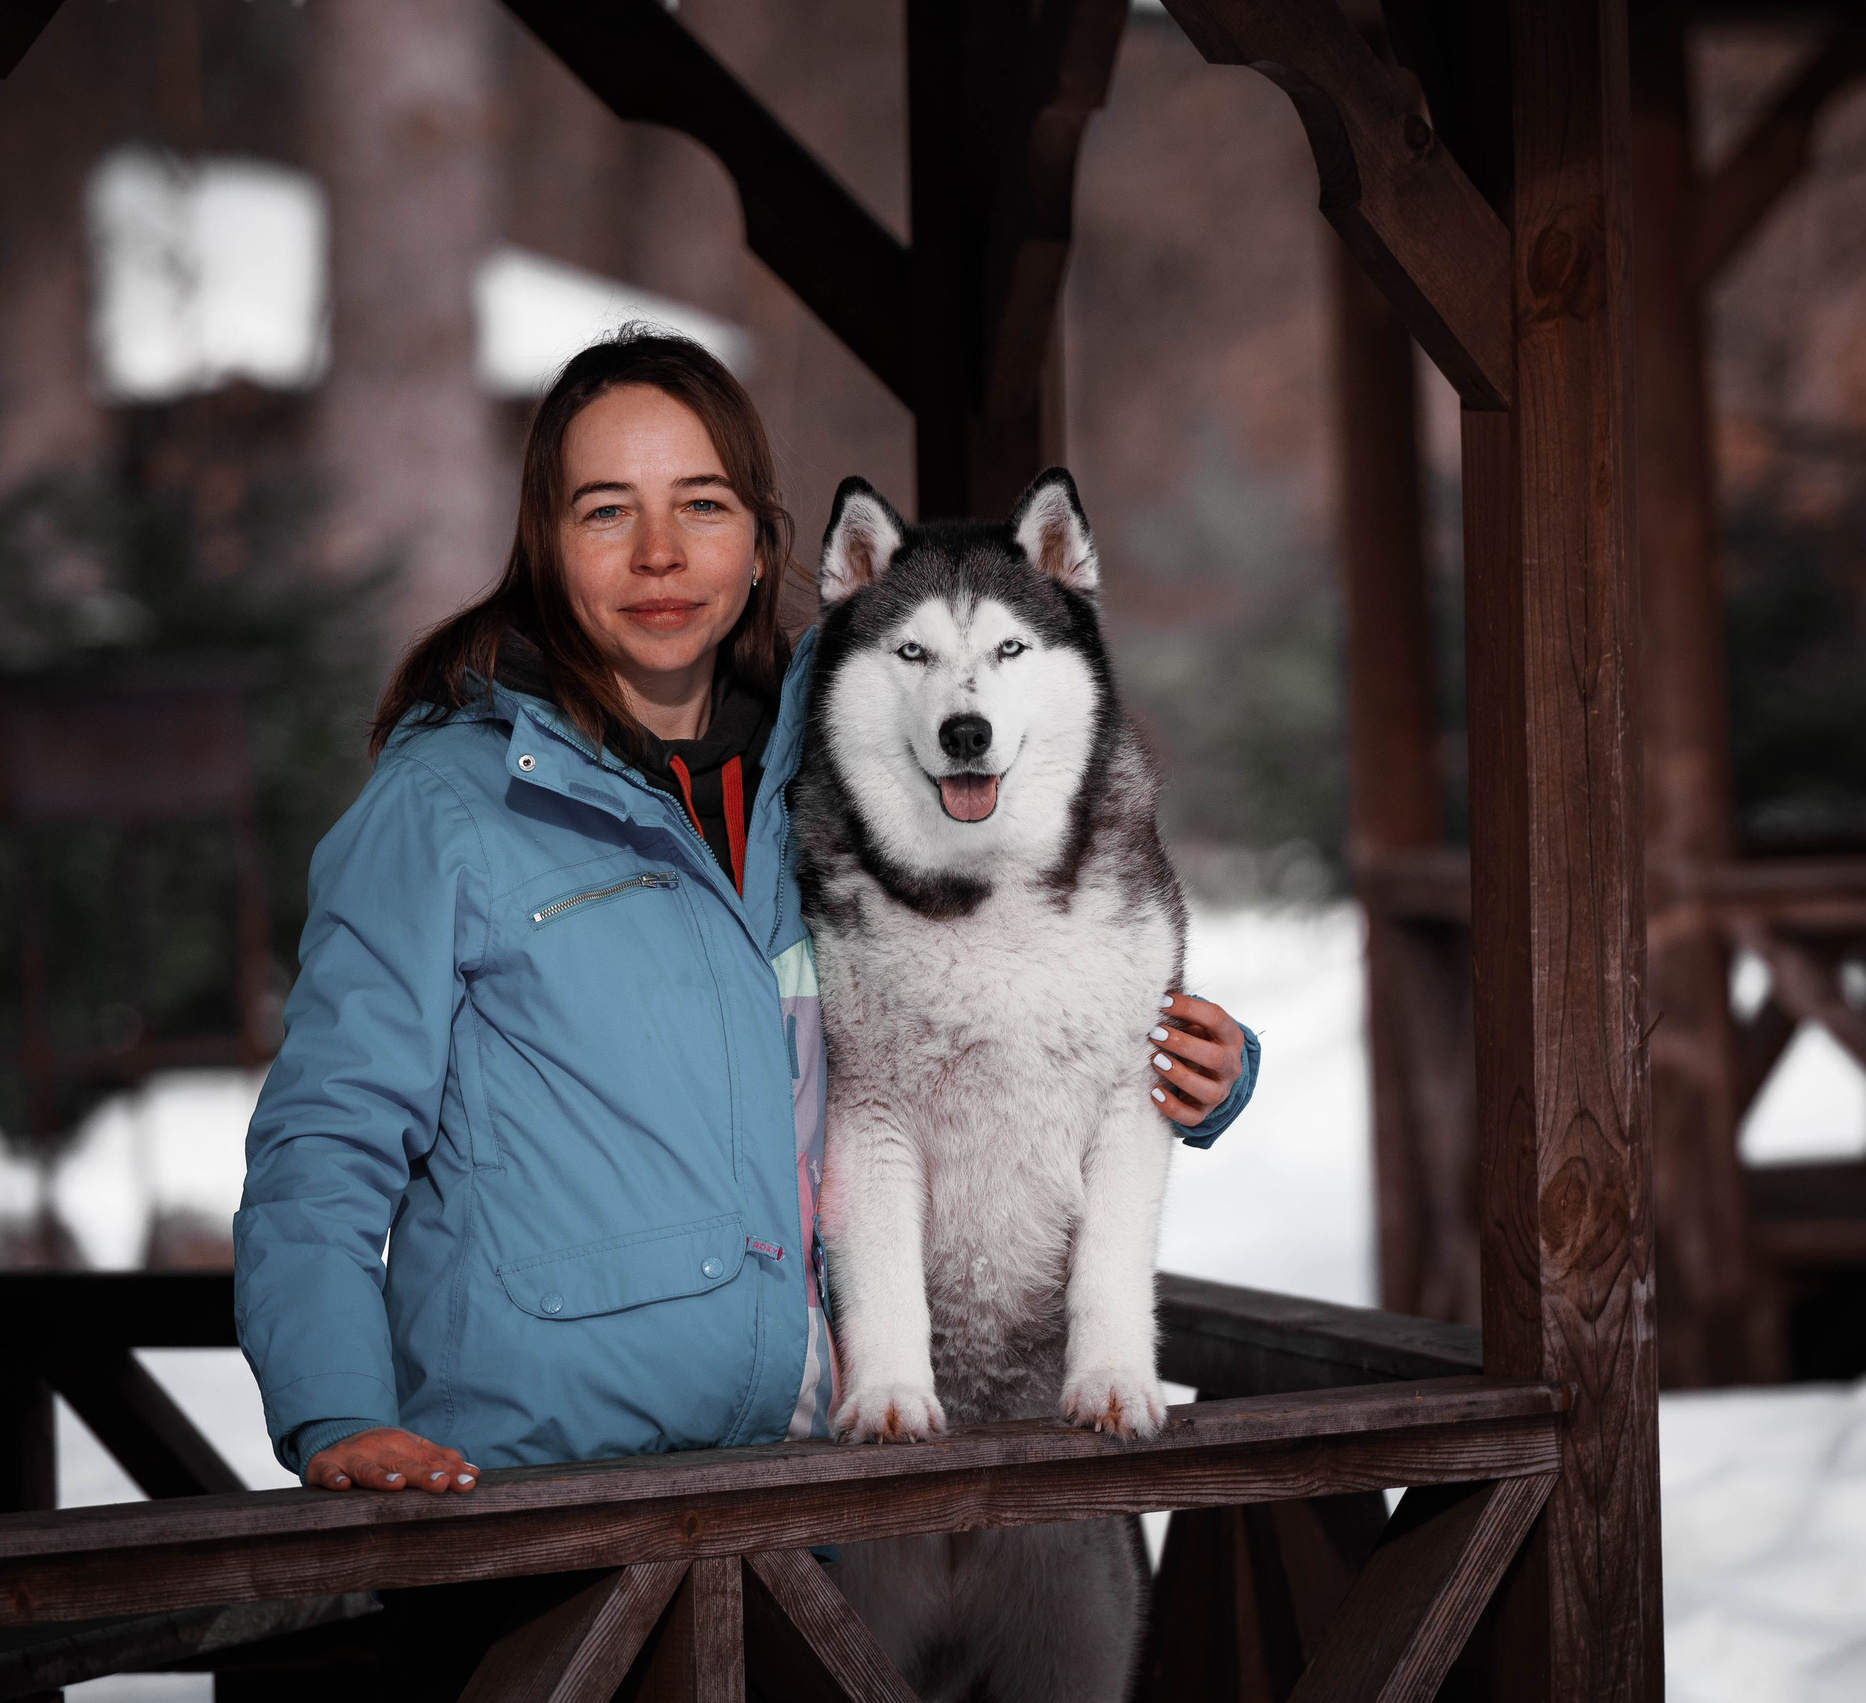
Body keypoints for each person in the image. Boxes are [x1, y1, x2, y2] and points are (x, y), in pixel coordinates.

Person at [234, 330, 1258, 1499]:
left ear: (765, 540)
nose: (661, 553)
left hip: (791, 1484)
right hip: (523, 1496)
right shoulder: (444, 806)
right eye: (608, 511)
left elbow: (1016, 976)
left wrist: (1202, 1066)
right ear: (545, 542)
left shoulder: (837, 773)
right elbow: (325, 1138)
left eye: (702, 505)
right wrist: (335, 1409)